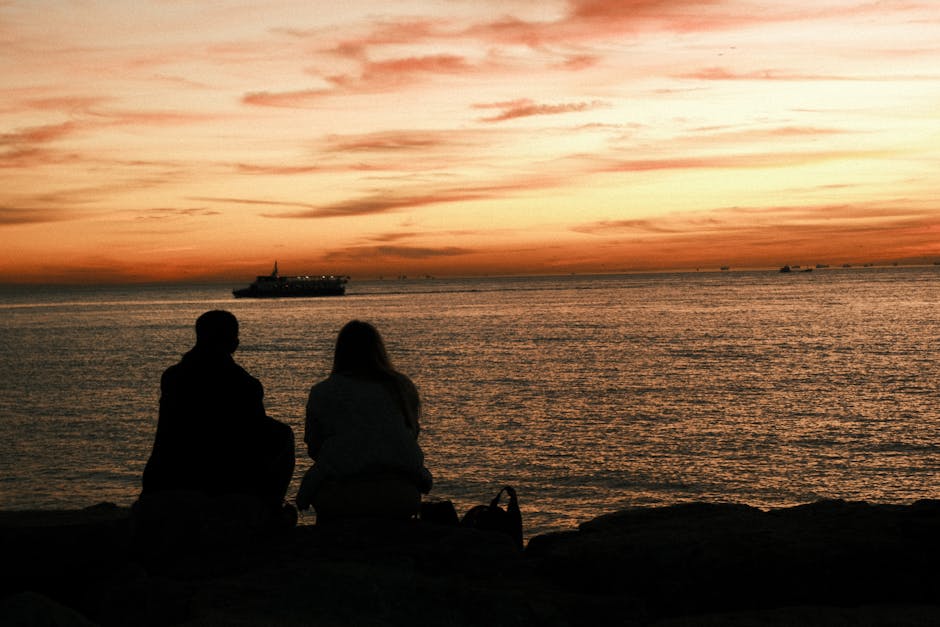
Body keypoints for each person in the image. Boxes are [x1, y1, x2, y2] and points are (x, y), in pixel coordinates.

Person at [140, 310, 296, 530]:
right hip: (219, 490)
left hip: (161, 486)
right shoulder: (245, 385)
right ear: (233, 343)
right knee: (283, 434)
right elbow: (255, 440)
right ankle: (271, 508)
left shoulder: (172, 377)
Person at [297, 320, 432, 522]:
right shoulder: (402, 387)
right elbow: (412, 434)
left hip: (343, 498)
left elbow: (314, 447)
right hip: (400, 495)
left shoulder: (323, 391)